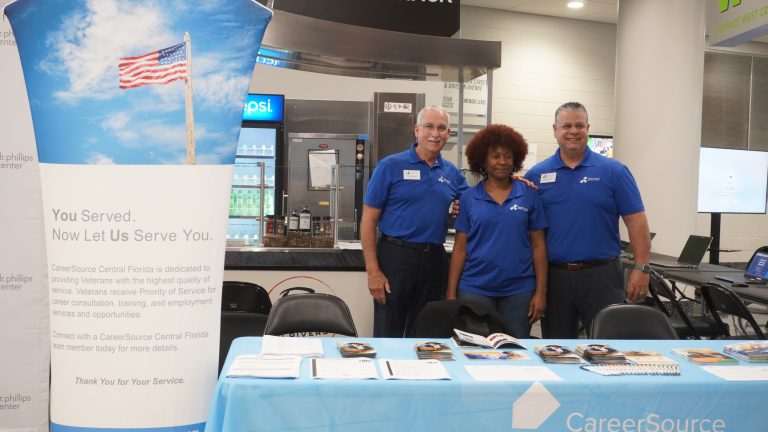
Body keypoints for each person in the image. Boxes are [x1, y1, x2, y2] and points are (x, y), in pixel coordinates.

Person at [525, 101, 651, 338]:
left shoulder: (614, 171)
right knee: (558, 349)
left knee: (608, 347)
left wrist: (642, 267)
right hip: (555, 278)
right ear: (555, 130)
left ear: (588, 129)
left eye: (579, 125)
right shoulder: (536, 176)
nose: (573, 131)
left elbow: (637, 221)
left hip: (602, 276)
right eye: (567, 126)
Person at [361, 105, 468, 337]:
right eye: (429, 126)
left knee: (425, 335)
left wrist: (516, 182)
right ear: (417, 130)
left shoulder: (452, 174)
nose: (435, 133)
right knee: (388, 333)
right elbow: (368, 219)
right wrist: (373, 272)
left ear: (448, 134)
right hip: (395, 258)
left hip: (434, 260)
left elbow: (476, 201)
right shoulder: (390, 166)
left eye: (442, 128)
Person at [446, 124, 548, 338]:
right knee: (476, 351)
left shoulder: (529, 195)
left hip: (519, 291)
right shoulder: (469, 198)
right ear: (483, 161)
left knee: (515, 350)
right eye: (495, 156)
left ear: (515, 159)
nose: (502, 161)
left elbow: (538, 246)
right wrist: (451, 293)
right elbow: (460, 249)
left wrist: (541, 292)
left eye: (508, 156)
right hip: (475, 289)